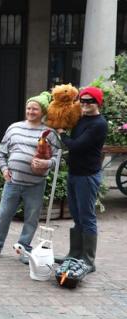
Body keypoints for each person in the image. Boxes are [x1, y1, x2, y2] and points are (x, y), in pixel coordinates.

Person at [0, 92, 58, 263]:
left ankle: (24, 249)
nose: (31, 111)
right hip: (13, 182)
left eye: (35, 109)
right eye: (29, 108)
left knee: (31, 218)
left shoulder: (49, 133)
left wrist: (46, 164)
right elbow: (1, 153)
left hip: (36, 184)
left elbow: (58, 158)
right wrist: (3, 169)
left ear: (42, 111)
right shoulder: (14, 128)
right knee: (3, 215)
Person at [57, 86, 107, 273]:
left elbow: (77, 146)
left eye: (90, 101)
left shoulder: (99, 124)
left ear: (98, 103)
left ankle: (88, 260)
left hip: (87, 176)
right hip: (74, 172)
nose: (85, 104)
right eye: (83, 101)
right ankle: (75, 254)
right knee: (77, 215)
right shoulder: (81, 119)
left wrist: (62, 134)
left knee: (87, 217)